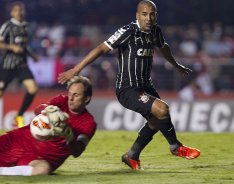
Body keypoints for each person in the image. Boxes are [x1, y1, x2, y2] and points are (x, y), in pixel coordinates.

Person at [58, 0, 200, 171]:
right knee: (162, 110)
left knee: (155, 122)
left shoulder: (155, 31)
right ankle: (175, 147)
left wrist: (176, 65)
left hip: (146, 86)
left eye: (152, 14)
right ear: (137, 15)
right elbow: (101, 48)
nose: (149, 18)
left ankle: (131, 155)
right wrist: (76, 69)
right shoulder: (128, 31)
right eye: (144, 14)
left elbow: (163, 47)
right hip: (128, 89)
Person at [0, 76, 97, 176]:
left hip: (41, 158)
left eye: (76, 95)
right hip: (18, 140)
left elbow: (77, 152)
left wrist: (69, 137)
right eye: (70, 94)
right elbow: (38, 109)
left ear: (87, 98)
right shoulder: (61, 100)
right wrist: (50, 112)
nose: (70, 98)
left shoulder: (88, 123)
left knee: (43, 170)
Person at [0, 1, 38, 130]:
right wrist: (10, 46)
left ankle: (19, 115)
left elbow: (24, 46)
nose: (19, 13)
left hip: (22, 64)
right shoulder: (7, 25)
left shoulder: (26, 26)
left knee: (33, 89)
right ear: (12, 12)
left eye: (21, 10)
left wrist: (32, 55)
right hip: (8, 65)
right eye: (16, 10)